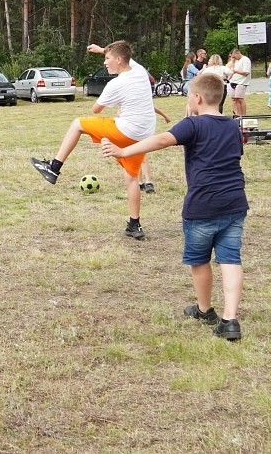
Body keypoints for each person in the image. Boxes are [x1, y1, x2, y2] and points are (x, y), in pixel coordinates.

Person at [101, 73, 248, 341]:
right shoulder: (231, 127)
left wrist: (123, 152)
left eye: (189, 95)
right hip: (235, 203)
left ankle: (205, 311)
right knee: (230, 260)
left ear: (198, 98)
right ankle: (230, 320)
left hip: (202, 206)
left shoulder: (192, 125)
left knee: (200, 261)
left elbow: (160, 140)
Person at [31, 41, 156, 240]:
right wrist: (101, 50)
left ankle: (53, 168)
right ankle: (134, 225)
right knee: (131, 177)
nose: (105, 63)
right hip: (143, 135)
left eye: (107, 59)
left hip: (126, 131)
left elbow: (96, 109)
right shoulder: (139, 70)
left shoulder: (115, 84)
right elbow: (121, 54)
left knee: (78, 123)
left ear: (118, 60)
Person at [139, 106, 173, 194]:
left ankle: (147, 182)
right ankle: (139, 182)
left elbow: (151, 107)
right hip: (131, 128)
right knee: (136, 156)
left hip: (140, 128)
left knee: (142, 155)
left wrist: (165, 116)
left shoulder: (141, 97)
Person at [226, 47, 252, 117]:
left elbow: (246, 72)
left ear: (238, 53)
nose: (234, 58)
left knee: (240, 98)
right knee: (235, 99)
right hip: (233, 81)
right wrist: (232, 61)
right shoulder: (235, 61)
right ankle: (238, 114)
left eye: (234, 56)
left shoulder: (245, 60)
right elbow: (228, 69)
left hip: (241, 82)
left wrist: (235, 71)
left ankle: (243, 115)